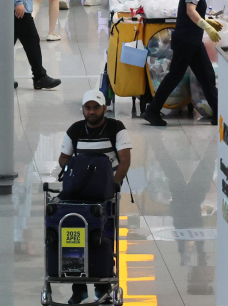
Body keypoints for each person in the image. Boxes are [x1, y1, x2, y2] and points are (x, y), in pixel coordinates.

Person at [59, 89, 132, 304]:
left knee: (102, 239)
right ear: (83, 109)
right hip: (79, 195)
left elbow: (125, 160)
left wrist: (113, 184)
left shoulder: (116, 128)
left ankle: (102, 289)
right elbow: (63, 158)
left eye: (95, 107)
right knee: (74, 238)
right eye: (87, 108)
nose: (91, 112)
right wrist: (80, 170)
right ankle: (78, 288)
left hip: (104, 196)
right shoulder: (75, 130)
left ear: (104, 108)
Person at [142, 0, 224, 126]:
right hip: (186, 41)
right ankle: (152, 111)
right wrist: (206, 26)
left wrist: (208, 21)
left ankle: (218, 113)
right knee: (175, 76)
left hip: (193, 41)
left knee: (207, 76)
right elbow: (190, 11)